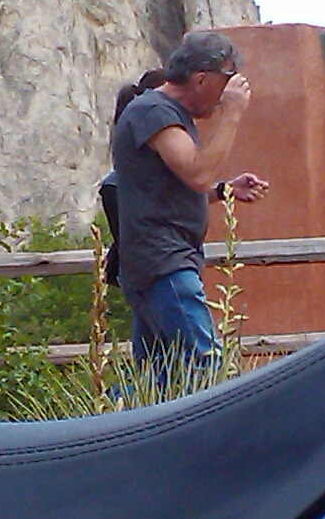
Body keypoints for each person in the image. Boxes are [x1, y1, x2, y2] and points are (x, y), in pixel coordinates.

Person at [108, 30, 270, 386]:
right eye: (226, 81)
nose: (225, 95)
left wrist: (225, 190)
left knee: (158, 381)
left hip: (160, 263)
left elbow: (169, 188)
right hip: (164, 264)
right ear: (200, 79)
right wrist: (232, 114)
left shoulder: (165, 113)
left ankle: (116, 416)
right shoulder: (154, 112)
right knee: (206, 368)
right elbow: (197, 173)